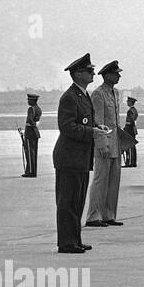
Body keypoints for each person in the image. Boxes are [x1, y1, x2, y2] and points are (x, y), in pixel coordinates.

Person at [54, 55, 99, 253]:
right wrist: (91, 132)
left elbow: (84, 122)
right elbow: (66, 127)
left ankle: (75, 239)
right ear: (78, 74)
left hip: (80, 157)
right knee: (68, 202)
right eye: (89, 71)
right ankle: (66, 243)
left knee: (78, 201)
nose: (93, 74)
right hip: (69, 157)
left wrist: (97, 127)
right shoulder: (69, 97)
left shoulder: (82, 95)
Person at [84, 60, 124, 228]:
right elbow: (98, 121)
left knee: (114, 180)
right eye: (116, 73)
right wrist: (102, 143)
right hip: (105, 142)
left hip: (116, 141)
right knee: (101, 179)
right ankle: (94, 216)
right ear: (107, 75)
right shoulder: (98, 94)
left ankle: (108, 214)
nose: (119, 76)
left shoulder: (115, 93)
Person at [21, 93, 41, 177]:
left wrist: (31, 127)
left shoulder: (31, 109)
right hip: (35, 133)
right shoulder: (38, 109)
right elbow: (37, 121)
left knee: (29, 154)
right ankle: (32, 171)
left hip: (30, 132)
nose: (28, 101)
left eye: (29, 100)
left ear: (33, 101)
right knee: (33, 154)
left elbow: (30, 120)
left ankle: (30, 172)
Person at [121, 96, 139, 168]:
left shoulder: (130, 111)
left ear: (130, 102)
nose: (127, 102)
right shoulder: (134, 110)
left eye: (128, 101)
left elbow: (129, 122)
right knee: (132, 147)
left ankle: (130, 163)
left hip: (130, 130)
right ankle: (133, 162)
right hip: (133, 129)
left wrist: (125, 130)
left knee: (130, 147)